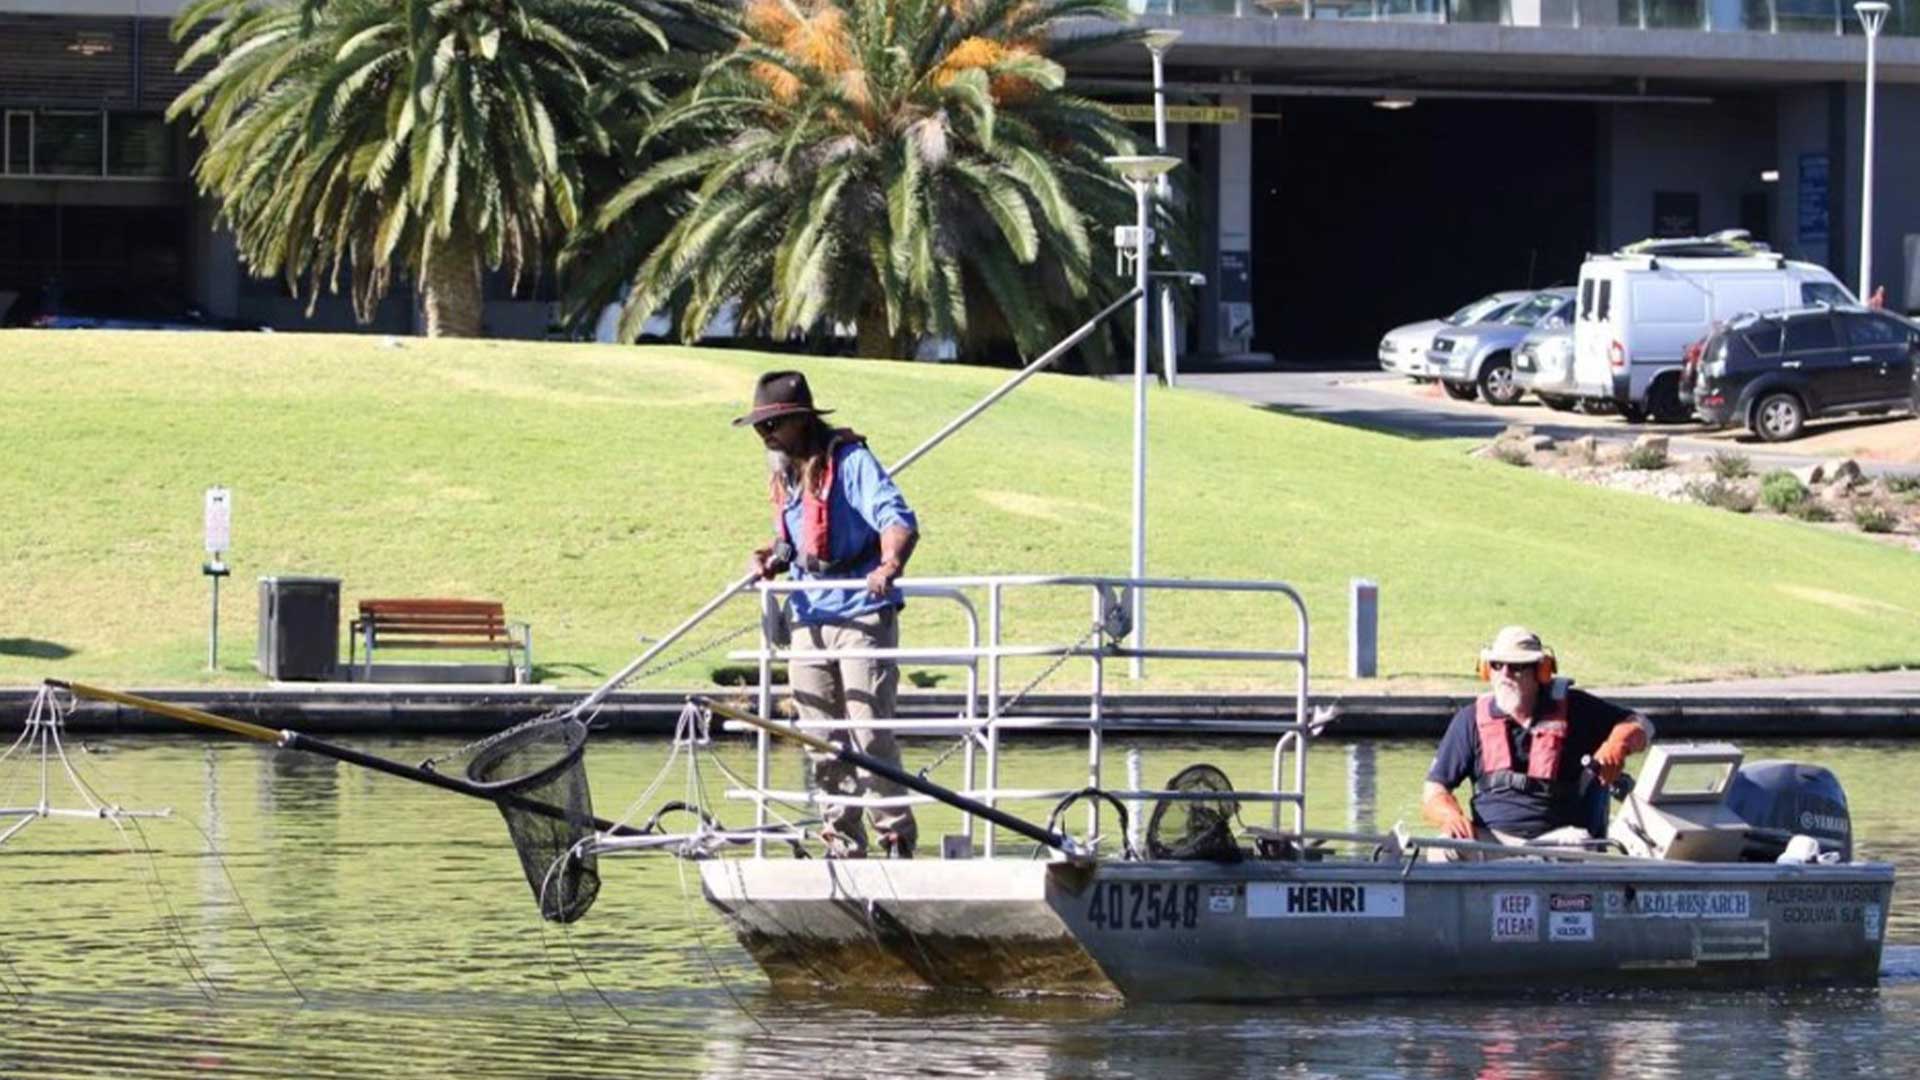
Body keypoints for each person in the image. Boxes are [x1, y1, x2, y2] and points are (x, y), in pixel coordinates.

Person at [737, 370, 920, 858]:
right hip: (807, 617)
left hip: (860, 613)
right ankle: (841, 836)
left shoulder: (851, 462)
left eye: (772, 426)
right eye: (760, 428)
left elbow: (897, 519)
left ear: (801, 421)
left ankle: (895, 834)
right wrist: (772, 558)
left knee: (868, 731)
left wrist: (889, 564)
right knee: (819, 736)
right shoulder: (786, 477)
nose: (766, 436)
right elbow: (795, 542)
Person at [1421, 625, 1654, 852]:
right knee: (1444, 850)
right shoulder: (1469, 720)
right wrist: (1449, 816)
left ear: (1541, 672)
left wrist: (1617, 744)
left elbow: (1641, 724)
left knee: (1580, 845)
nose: (1505, 674)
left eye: (1516, 667)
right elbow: (1434, 790)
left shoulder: (1577, 709)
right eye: (1497, 665)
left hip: (1561, 843)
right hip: (1489, 842)